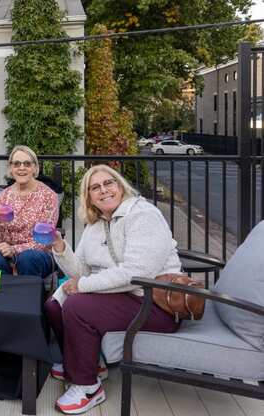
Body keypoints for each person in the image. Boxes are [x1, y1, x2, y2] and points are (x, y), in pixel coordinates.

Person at [44, 164, 182, 414]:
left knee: (77, 305)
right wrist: (59, 246)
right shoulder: (95, 224)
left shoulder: (143, 215)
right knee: (54, 305)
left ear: (120, 186)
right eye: (95, 187)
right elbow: (81, 273)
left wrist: (83, 286)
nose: (104, 190)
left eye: (109, 183)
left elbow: (136, 274)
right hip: (120, 297)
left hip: (155, 303)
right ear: (88, 196)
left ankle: (88, 386)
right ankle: (90, 362)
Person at [0, 145, 58, 277]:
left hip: (39, 254)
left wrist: (14, 249)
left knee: (27, 259)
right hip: (9, 253)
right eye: (17, 164)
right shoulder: (4, 196)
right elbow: (0, 240)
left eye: (27, 164)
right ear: (11, 168)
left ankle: (30, 297)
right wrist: (0, 225)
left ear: (35, 168)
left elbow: (44, 240)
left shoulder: (48, 196)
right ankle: (1, 296)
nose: (21, 168)